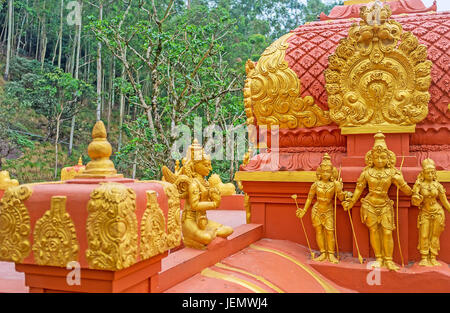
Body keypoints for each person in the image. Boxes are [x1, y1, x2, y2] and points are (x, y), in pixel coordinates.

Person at [343, 132, 412, 271]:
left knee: (387, 232)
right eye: (376, 157)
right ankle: (379, 258)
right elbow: (358, 190)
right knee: (374, 230)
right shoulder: (366, 173)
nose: (380, 160)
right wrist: (351, 202)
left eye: (383, 157)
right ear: (371, 158)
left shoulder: (392, 173)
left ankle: (389, 259)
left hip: (385, 204)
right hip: (370, 204)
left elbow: (407, 191)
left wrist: (401, 181)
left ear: (388, 158)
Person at [296, 153, 351, 263]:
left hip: (328, 210)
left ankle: (331, 254)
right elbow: (309, 199)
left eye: (328, 171)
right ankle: (323, 253)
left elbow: (340, 197)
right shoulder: (316, 185)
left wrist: (341, 191)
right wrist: (304, 210)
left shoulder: (334, 184)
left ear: (332, 173)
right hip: (317, 210)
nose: (325, 173)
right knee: (319, 232)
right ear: (320, 172)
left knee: (330, 232)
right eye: (323, 171)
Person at [412, 158, 450, 266]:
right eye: (427, 172)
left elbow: (445, 202)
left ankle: (433, 256)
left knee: (434, 235)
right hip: (425, 212)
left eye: (432, 172)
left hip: (438, 212)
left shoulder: (437, 186)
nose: (430, 174)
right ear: (423, 173)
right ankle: (424, 256)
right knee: (424, 235)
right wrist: (417, 198)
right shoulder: (419, 185)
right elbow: (414, 201)